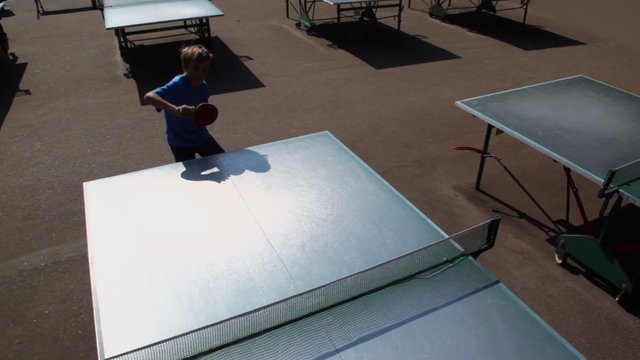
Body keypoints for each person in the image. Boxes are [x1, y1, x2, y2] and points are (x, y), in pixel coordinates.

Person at [143, 44, 224, 162]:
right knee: (191, 178)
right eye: (196, 68)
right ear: (185, 66)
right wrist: (175, 109)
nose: (201, 73)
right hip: (179, 142)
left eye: (205, 69)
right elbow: (148, 97)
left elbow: (203, 109)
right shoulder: (177, 85)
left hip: (201, 136)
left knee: (223, 161)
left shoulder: (204, 86)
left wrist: (202, 115)